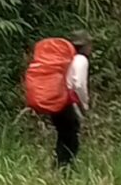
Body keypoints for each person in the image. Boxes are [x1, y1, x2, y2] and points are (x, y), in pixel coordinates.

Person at [24, 34, 88, 168]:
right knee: (71, 137)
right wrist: (84, 105)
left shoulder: (64, 58)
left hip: (55, 99)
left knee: (63, 135)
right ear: (85, 46)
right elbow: (78, 84)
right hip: (66, 101)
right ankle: (64, 169)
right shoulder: (80, 59)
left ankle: (58, 167)